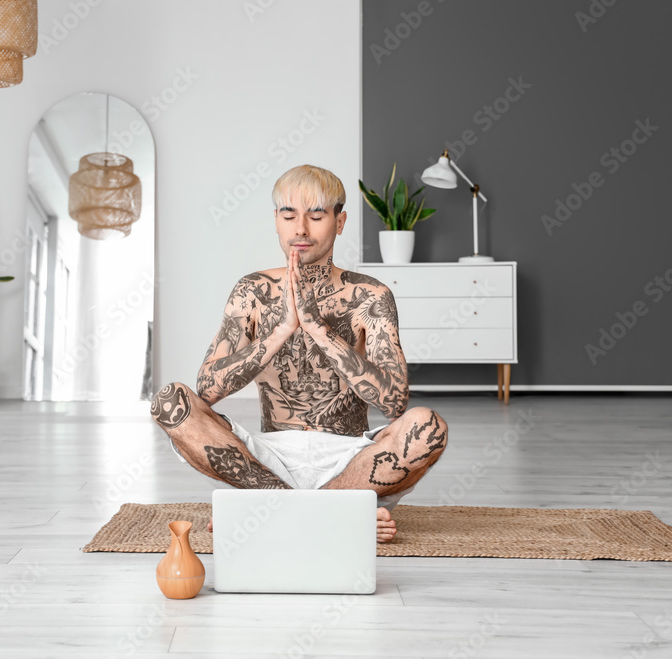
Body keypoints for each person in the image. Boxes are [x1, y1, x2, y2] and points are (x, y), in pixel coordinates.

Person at [150, 165, 448, 543]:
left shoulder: (371, 296)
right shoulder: (251, 290)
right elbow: (206, 390)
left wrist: (317, 328)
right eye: (289, 215)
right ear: (276, 221)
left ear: (339, 222)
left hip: (351, 460)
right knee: (169, 401)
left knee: (429, 427)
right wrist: (282, 330)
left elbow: (394, 402)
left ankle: (270, 512)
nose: (301, 229)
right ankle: (334, 513)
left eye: (317, 216)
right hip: (267, 458)